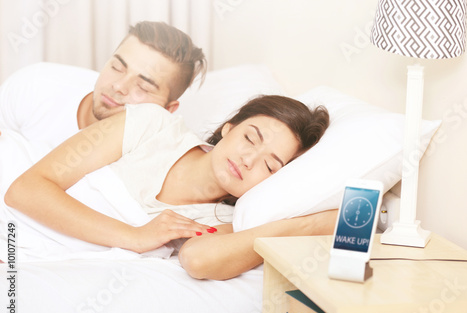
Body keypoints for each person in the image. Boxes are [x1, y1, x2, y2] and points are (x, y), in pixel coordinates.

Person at [4, 95, 333, 274]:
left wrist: (311, 224)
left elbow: (199, 260)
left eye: (270, 165)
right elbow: (25, 189)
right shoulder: (151, 125)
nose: (249, 159)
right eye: (250, 138)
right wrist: (135, 237)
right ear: (228, 128)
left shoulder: (225, 221)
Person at [0, 21, 206, 149]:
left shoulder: (153, 162)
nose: (119, 86)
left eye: (143, 87)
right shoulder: (36, 84)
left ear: (168, 110)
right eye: (117, 67)